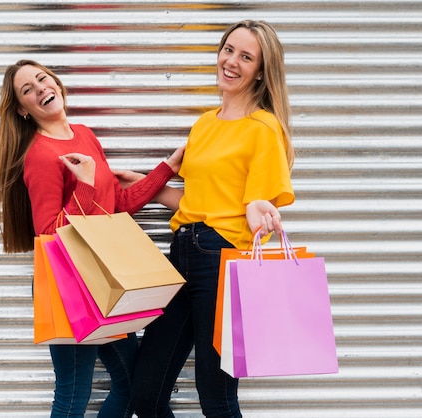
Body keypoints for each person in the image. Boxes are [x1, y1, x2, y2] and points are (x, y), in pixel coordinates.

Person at [0, 59, 184, 418]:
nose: (40, 88)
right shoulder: (39, 156)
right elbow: (49, 233)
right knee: (73, 396)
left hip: (106, 280)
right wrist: (86, 182)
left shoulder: (84, 134)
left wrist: (166, 169)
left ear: (57, 83)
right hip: (70, 286)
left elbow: (115, 206)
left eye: (42, 79)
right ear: (22, 109)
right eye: (27, 89)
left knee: (129, 385)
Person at [130, 20, 295, 417]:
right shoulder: (204, 124)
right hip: (182, 253)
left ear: (261, 70)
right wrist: (143, 184)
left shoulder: (264, 129)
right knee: (145, 394)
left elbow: (257, 202)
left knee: (216, 397)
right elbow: (195, 201)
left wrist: (259, 210)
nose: (232, 61)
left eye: (246, 56)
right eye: (228, 49)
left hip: (223, 260)